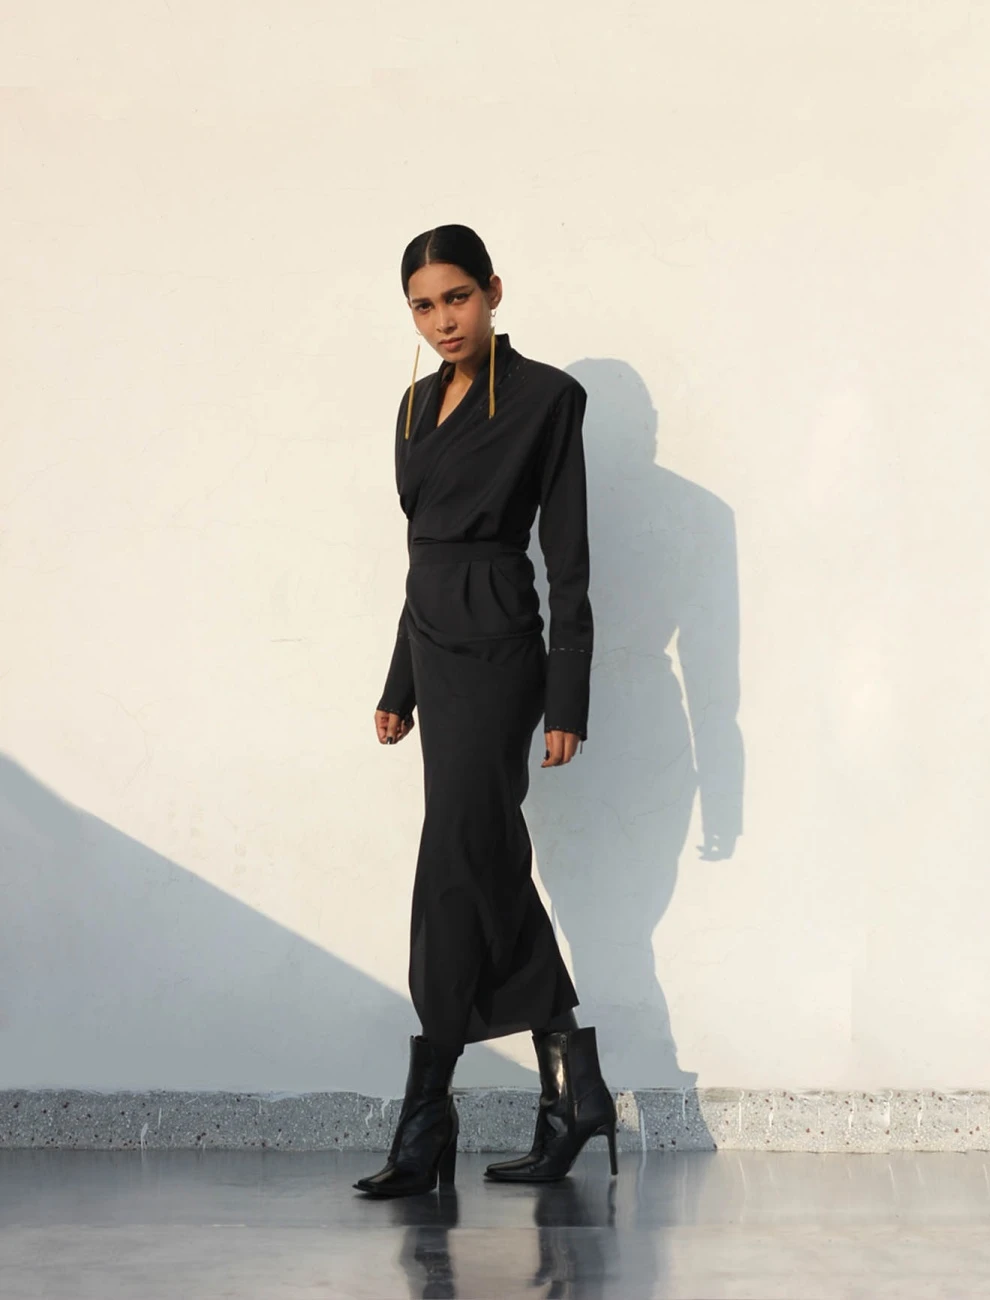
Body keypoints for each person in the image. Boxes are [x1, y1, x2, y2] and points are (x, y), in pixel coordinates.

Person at [354, 225, 616, 1199]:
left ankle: (428, 1111)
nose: (442, 321)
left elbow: (569, 556)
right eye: (423, 306)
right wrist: (399, 685)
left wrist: (567, 691)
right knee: (478, 861)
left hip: (502, 648)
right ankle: (573, 1090)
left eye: (456, 297)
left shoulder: (547, 396)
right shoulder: (413, 406)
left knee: (456, 860)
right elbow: (421, 556)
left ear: (493, 291)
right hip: (433, 642)